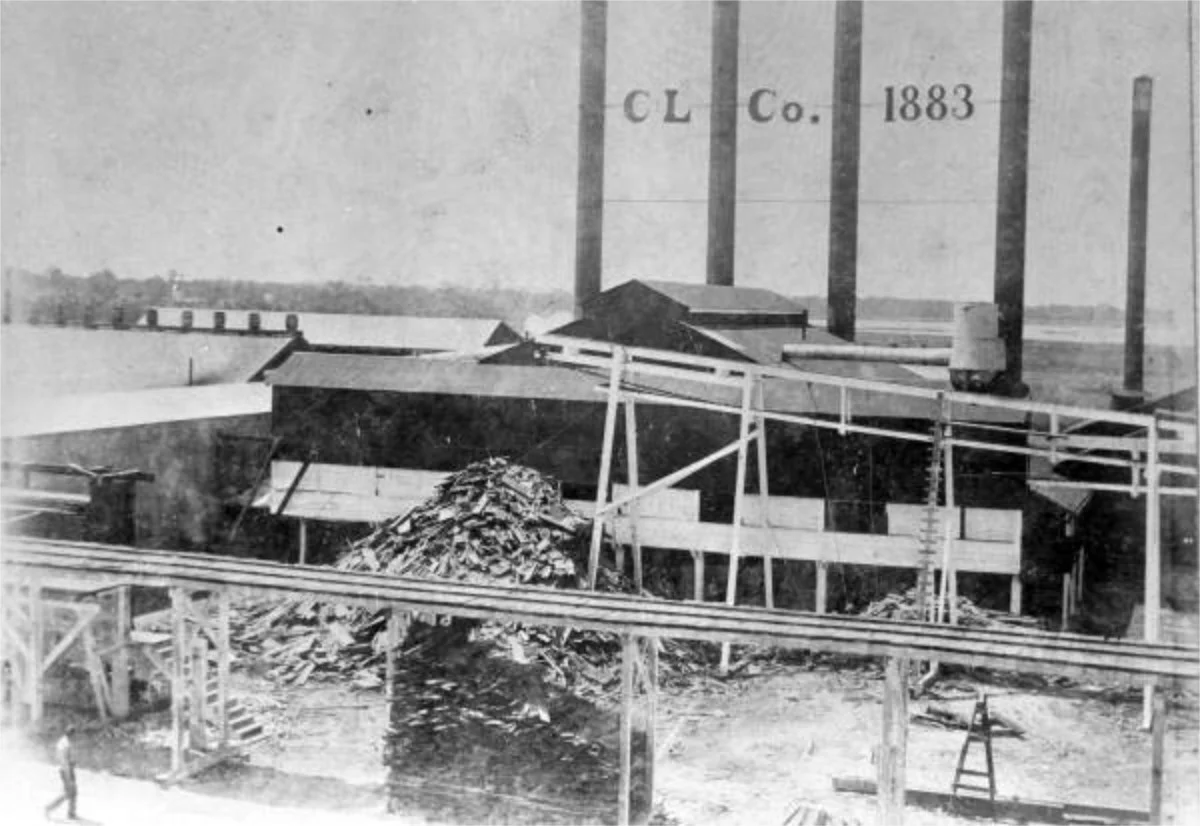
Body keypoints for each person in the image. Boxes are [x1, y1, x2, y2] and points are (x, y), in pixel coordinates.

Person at [44, 724, 77, 821]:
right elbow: (64, 760)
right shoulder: (66, 744)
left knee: (73, 792)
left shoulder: (63, 742)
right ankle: (49, 808)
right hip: (66, 770)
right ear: (72, 734)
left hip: (66, 769)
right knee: (67, 793)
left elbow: (62, 757)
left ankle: (71, 813)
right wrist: (68, 775)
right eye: (75, 734)